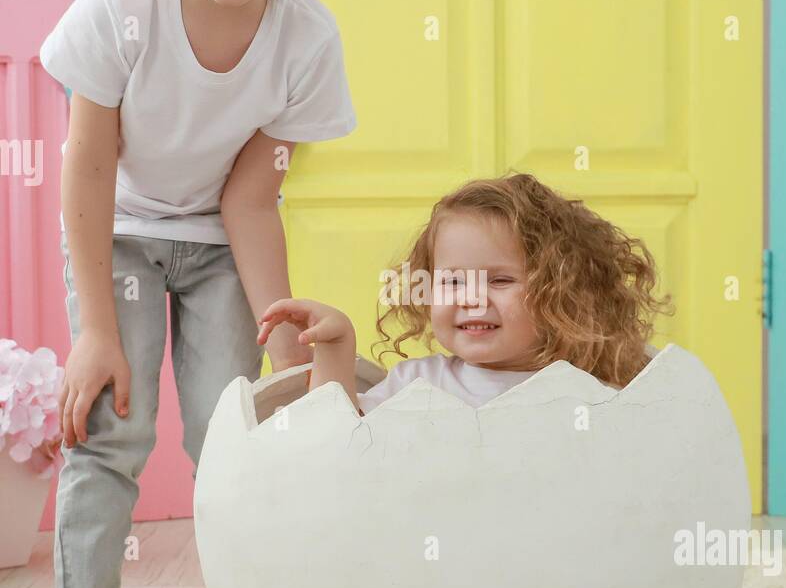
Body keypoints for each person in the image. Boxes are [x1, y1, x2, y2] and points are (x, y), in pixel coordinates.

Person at [38, 0, 355, 588]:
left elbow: (250, 197)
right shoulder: (120, 11)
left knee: (238, 433)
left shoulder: (304, 40)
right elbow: (87, 173)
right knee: (113, 436)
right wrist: (97, 325)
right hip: (120, 233)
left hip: (218, 242)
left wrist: (284, 338)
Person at [255, 172, 675, 415]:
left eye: (500, 280)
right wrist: (336, 346)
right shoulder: (417, 384)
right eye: (452, 281)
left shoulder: (592, 389)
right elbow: (332, 444)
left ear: (561, 291)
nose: (471, 298)